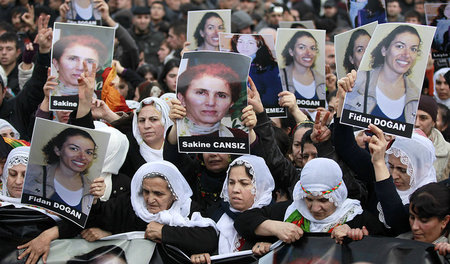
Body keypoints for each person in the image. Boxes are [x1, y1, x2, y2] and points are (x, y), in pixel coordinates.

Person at [233, 158, 385, 256]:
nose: (314, 208)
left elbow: (385, 245)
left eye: (324, 200)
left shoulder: (356, 216)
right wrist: (275, 228)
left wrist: (358, 238)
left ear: (337, 195)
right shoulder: (291, 211)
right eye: (309, 199)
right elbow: (243, 221)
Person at [84, 161, 218, 261]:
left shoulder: (187, 209)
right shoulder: (129, 204)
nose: (149, 199)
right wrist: (94, 201)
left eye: (158, 194)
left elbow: (208, 238)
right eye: (146, 192)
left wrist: (164, 232)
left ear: (174, 194)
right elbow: (98, 216)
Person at [190, 155, 275, 263]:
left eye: (244, 183)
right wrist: (200, 254)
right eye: (231, 183)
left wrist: (271, 248)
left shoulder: (274, 218)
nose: (235, 189)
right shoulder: (214, 215)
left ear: (261, 186)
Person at [347, 183, 450, 258]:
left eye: (424, 220)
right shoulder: (400, 239)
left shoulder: (445, 254)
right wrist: (364, 242)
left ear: (444, 221)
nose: (414, 227)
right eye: (412, 217)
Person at [344, 25, 422, 124]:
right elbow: (342, 128)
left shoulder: (415, 93)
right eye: (400, 46)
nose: (407, 54)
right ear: (384, 50)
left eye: (413, 49)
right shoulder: (356, 81)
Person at [23, 128, 98, 215]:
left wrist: (95, 201)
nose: (82, 157)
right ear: (58, 150)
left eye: (89, 152)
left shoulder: (91, 186)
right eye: (74, 149)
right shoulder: (32, 173)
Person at [176, 63, 248, 138]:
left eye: (221, 95)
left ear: (231, 103)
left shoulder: (239, 137)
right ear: (182, 99)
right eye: (201, 93)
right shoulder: (171, 136)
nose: (211, 103)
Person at [230, 34, 282, 107]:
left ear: (259, 46)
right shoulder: (228, 64)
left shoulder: (271, 67)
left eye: (250, 43)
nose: (244, 46)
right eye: (241, 42)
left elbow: (272, 96)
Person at [280, 31, 326, 103]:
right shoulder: (279, 77)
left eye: (312, 48)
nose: (309, 53)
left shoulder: (322, 79)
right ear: (291, 51)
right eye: (302, 47)